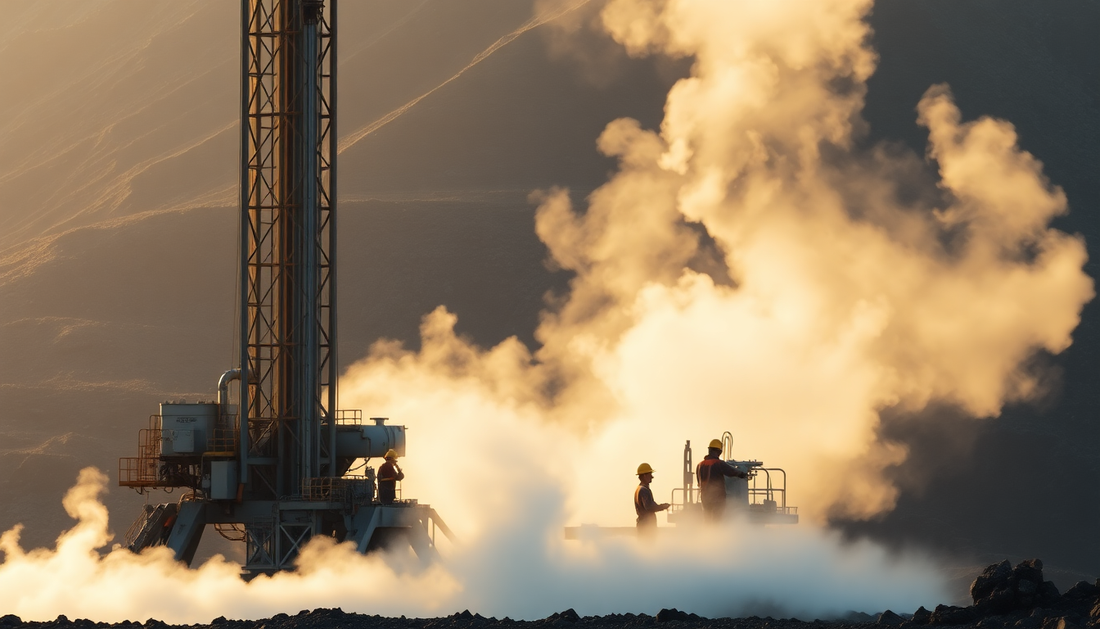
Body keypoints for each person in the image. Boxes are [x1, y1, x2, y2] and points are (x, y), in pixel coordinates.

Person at [695, 438, 748, 522]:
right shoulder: (718, 463)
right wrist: (742, 474)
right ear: (719, 451)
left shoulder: (699, 465)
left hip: (705, 497)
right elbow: (731, 471)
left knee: (707, 518)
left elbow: (699, 482)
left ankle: (707, 533)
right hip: (717, 497)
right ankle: (716, 534)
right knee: (717, 519)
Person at [634, 462, 670, 535]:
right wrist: (663, 506)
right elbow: (650, 507)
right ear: (644, 475)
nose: (652, 477)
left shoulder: (639, 489)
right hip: (646, 526)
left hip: (643, 525)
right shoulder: (643, 490)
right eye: (650, 474)